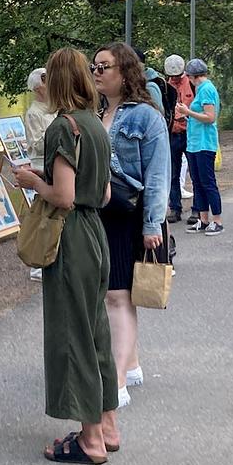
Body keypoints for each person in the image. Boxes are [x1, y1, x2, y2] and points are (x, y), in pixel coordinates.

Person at [13, 48, 118, 465]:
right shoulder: (95, 126)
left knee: (73, 333)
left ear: (55, 81)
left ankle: (90, 440)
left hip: (71, 238)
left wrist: (30, 181)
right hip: (96, 233)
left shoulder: (63, 127)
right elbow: (104, 193)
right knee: (96, 331)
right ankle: (107, 425)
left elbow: (64, 196)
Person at [91, 42, 168, 409]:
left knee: (118, 296)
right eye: (94, 66)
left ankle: (117, 380)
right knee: (114, 293)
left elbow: (157, 175)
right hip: (101, 213)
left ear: (125, 71)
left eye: (104, 66)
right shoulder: (96, 112)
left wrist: (153, 224)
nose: (97, 72)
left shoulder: (146, 117)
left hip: (130, 215)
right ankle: (132, 364)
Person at [176, 58, 223, 235]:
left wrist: (187, 112)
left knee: (208, 182)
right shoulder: (200, 89)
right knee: (197, 182)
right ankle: (203, 220)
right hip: (194, 143)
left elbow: (210, 117)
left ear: (191, 76)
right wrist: (187, 117)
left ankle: (217, 220)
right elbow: (200, 116)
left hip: (205, 143)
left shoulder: (206, 89)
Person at [24, 67, 56, 281]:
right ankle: (37, 264)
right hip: (40, 165)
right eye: (45, 82)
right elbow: (36, 144)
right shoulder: (34, 113)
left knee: (54, 214)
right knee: (42, 213)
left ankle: (50, 256)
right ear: (37, 87)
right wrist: (57, 132)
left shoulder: (55, 109)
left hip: (54, 164)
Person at [164, 54, 195, 224]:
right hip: (173, 133)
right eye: (172, 75)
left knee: (195, 173)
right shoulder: (165, 86)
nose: (174, 78)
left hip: (190, 133)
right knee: (173, 173)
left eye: (177, 75)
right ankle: (175, 208)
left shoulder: (191, 84)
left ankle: (198, 209)